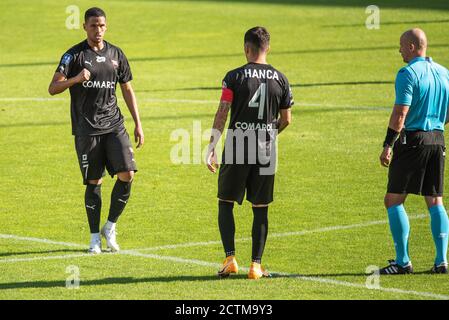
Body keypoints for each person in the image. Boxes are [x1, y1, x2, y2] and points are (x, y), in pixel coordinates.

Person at [48, 7, 144, 254]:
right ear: (84, 27)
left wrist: (138, 123)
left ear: (106, 26)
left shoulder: (116, 54)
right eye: (93, 25)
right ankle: (93, 238)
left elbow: (127, 89)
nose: (98, 30)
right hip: (86, 130)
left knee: (128, 174)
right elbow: (53, 87)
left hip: (114, 125)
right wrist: (76, 79)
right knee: (94, 181)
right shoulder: (73, 56)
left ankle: (110, 226)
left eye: (101, 25)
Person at [206, 26, 293, 279]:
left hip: (237, 145)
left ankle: (230, 258)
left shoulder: (233, 77)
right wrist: (267, 133)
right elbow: (287, 119)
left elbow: (223, 111)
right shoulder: (281, 79)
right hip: (266, 149)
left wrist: (212, 146)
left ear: (246, 48)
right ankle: (256, 266)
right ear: (268, 48)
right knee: (261, 207)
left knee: (225, 202)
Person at [379, 28, 449, 274]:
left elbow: (400, 114)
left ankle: (402, 261)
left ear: (411, 47)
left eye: (401, 45)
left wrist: (388, 144)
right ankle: (441, 261)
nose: (398, 50)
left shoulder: (407, 73)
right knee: (435, 201)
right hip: (438, 139)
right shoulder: (444, 73)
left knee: (393, 200)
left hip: (413, 141)